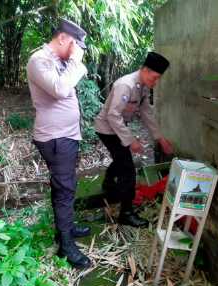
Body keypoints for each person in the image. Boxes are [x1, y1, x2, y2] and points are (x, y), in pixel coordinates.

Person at [26, 19, 91, 269]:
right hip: (55, 138)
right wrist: (76, 60)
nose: (76, 51)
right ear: (63, 38)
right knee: (64, 189)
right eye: (75, 45)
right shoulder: (39, 60)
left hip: (66, 135)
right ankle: (65, 246)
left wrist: (72, 60)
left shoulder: (60, 61)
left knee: (65, 186)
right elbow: (60, 89)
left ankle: (66, 229)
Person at [94, 52, 174, 227]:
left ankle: (108, 183)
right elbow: (112, 116)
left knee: (121, 159)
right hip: (107, 129)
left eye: (158, 78)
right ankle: (126, 213)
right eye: (155, 77)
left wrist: (159, 138)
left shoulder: (143, 86)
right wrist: (131, 141)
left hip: (118, 128)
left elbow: (146, 113)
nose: (155, 82)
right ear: (145, 70)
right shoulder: (126, 85)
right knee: (128, 170)